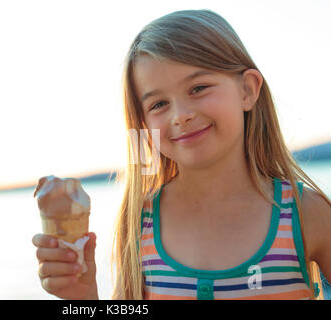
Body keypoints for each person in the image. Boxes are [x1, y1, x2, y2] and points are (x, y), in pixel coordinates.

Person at [32, 9, 331, 300]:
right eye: (159, 104)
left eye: (198, 87)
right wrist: (84, 297)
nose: (180, 115)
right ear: (143, 126)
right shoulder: (141, 222)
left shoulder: (306, 214)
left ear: (247, 90)